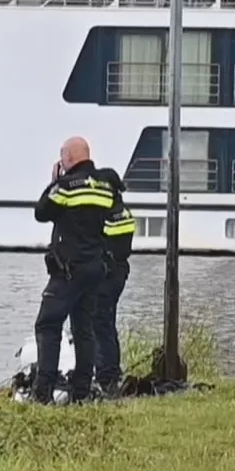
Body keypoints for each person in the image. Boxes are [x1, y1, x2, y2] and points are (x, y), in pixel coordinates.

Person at [30, 136, 120, 404]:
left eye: (62, 156)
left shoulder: (67, 186)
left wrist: (55, 180)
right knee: (84, 329)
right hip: (95, 267)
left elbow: (42, 212)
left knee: (48, 324)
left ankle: (42, 392)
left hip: (68, 268)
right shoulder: (105, 188)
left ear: (68, 158)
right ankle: (81, 392)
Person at [94, 170, 137, 398]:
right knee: (106, 323)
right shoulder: (123, 211)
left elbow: (106, 245)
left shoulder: (108, 213)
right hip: (118, 272)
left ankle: (107, 375)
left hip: (108, 275)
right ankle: (109, 372)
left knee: (101, 323)